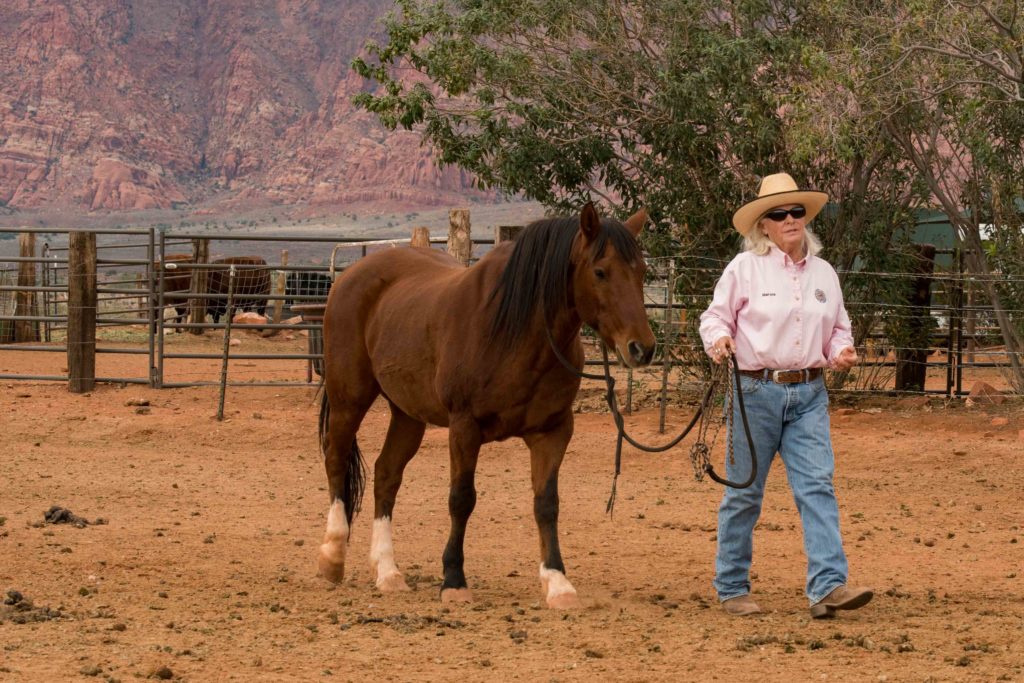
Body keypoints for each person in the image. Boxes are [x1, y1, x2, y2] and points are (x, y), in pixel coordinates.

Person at [698, 172, 872, 618]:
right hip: (754, 391)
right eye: (779, 213)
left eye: (796, 211)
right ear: (764, 226)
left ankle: (827, 587)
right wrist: (719, 340)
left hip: (810, 393)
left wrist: (841, 352)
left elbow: (837, 330)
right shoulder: (744, 270)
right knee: (744, 493)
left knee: (817, 486)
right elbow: (713, 318)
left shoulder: (824, 274)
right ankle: (732, 585)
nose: (790, 218)